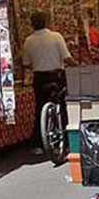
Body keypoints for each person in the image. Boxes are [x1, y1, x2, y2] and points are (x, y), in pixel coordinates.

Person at [22, 11, 75, 154]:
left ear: (32, 24)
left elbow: (26, 64)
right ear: (46, 22)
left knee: (39, 109)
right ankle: (67, 142)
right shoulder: (56, 37)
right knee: (62, 107)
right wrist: (78, 65)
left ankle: (38, 143)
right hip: (56, 76)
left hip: (39, 78)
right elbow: (67, 58)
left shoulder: (28, 41)